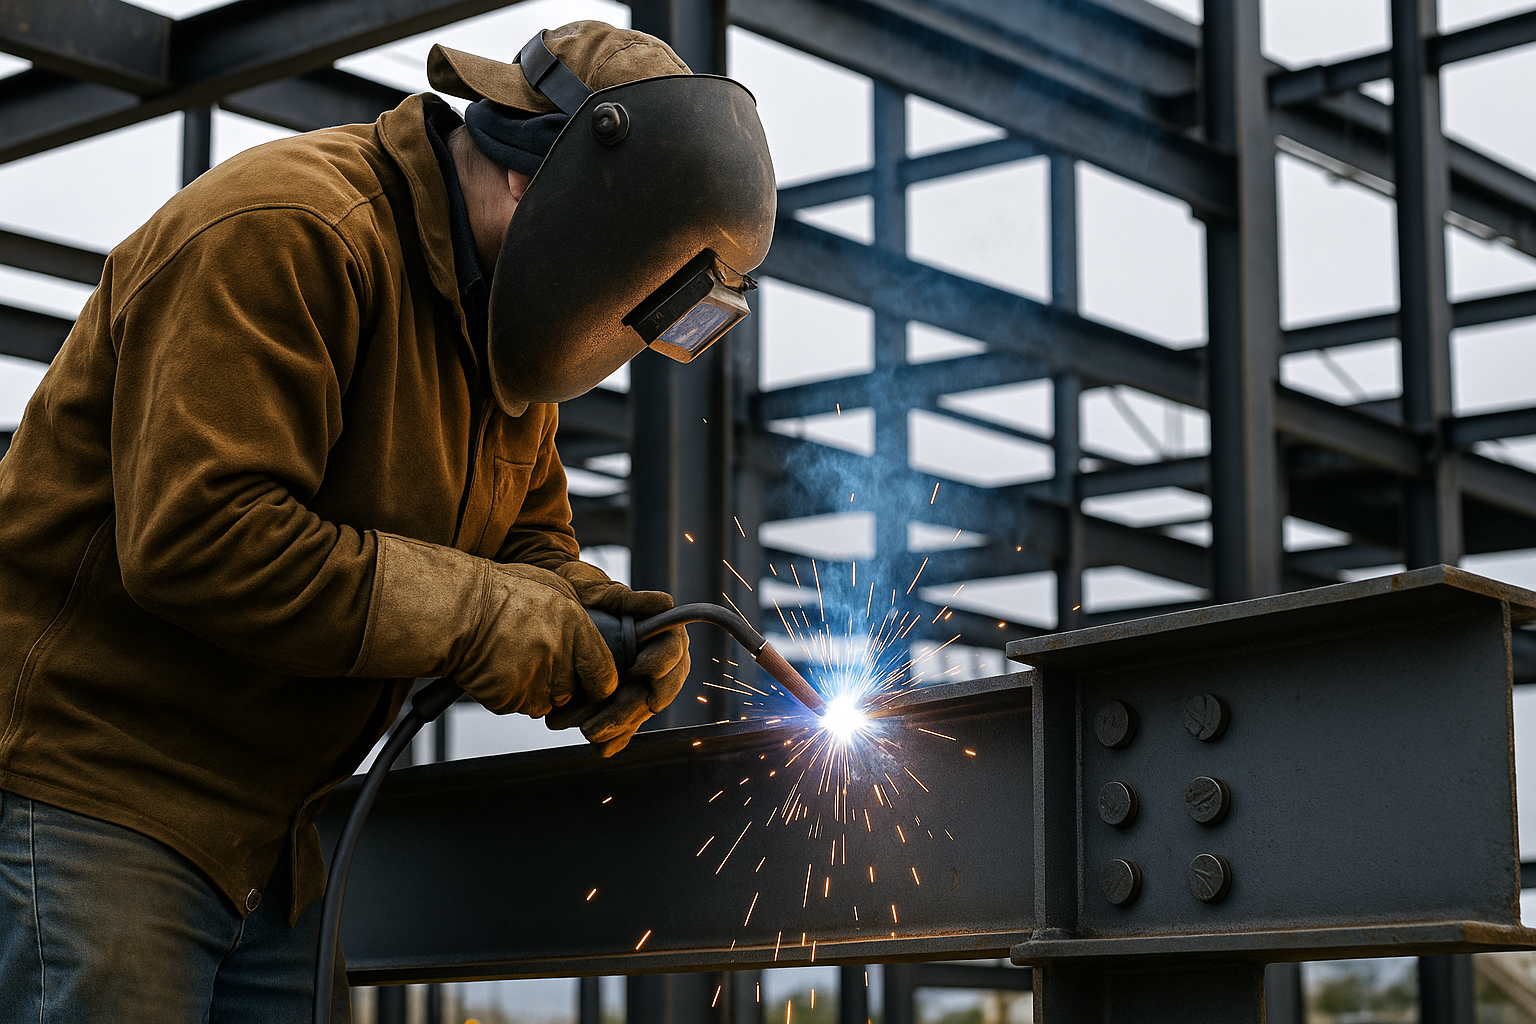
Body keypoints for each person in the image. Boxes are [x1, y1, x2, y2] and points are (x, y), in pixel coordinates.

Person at [0, 20, 775, 1023]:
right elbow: (200, 536)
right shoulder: (289, 232)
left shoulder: (503, 339)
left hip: (276, 844)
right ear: (538, 186)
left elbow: (524, 549)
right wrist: (490, 616)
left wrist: (591, 621)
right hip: (99, 797)